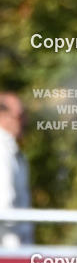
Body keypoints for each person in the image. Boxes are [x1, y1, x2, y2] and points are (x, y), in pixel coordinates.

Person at [0, 92, 32, 248]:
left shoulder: (15, 152)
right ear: (2, 116)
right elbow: (4, 204)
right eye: (19, 115)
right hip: (8, 249)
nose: (25, 121)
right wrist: (13, 252)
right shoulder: (2, 150)